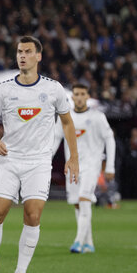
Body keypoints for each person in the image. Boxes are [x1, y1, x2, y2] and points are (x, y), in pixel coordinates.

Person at [0, 36, 79, 273]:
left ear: (38, 56)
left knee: (32, 216)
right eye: (19, 51)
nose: (22, 56)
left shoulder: (53, 89)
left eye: (28, 51)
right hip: (9, 159)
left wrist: (73, 157)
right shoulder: (4, 89)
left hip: (39, 162)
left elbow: (67, 122)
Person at [53, 83, 115, 253]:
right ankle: (89, 242)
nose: (79, 97)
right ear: (72, 97)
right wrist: (46, 160)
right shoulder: (66, 117)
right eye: (77, 94)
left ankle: (78, 242)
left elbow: (110, 139)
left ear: (88, 96)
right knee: (77, 203)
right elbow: (55, 139)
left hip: (91, 166)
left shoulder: (97, 117)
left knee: (84, 199)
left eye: (83, 94)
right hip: (72, 167)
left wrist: (109, 166)